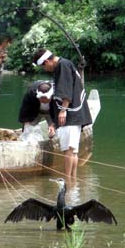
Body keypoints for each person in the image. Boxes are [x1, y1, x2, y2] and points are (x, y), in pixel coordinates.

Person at [32, 48, 92, 179]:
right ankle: (73, 180)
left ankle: (68, 180)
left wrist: (63, 111)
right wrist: (54, 122)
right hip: (75, 115)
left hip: (70, 114)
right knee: (73, 151)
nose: (45, 69)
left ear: (47, 61)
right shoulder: (65, 64)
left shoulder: (62, 65)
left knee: (68, 150)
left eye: (43, 66)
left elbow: (66, 90)